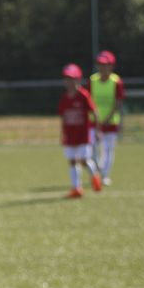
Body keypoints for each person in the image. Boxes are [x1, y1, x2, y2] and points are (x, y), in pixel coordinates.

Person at [58, 64, 103, 198]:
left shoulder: (83, 95)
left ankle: (95, 176)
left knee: (83, 160)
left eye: (72, 79)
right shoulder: (64, 98)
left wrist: (97, 130)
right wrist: (62, 134)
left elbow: (95, 112)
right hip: (70, 135)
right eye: (67, 79)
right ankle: (76, 188)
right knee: (72, 160)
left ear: (78, 79)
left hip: (83, 134)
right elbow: (63, 118)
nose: (69, 82)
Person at [89, 50, 124, 186]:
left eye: (105, 65)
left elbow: (118, 103)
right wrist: (98, 120)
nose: (102, 67)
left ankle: (104, 175)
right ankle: (97, 172)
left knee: (108, 149)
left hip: (111, 122)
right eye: (100, 64)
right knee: (92, 149)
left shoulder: (116, 82)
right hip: (94, 122)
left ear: (111, 66)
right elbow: (89, 101)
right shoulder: (92, 80)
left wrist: (107, 119)